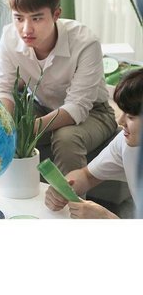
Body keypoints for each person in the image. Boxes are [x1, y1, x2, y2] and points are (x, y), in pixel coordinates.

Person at [0, 0, 118, 174]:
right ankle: (14, 190)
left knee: (66, 138)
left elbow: (78, 106)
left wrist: (27, 128)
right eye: (19, 18)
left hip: (94, 112)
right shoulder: (9, 37)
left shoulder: (85, 42)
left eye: (36, 18)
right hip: (42, 107)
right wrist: (7, 125)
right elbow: (4, 89)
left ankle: (70, 196)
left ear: (56, 14)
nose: (26, 29)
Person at [45, 68, 143, 218]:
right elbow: (87, 176)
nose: (121, 121)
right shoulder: (125, 142)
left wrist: (106, 218)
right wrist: (61, 189)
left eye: (130, 117)